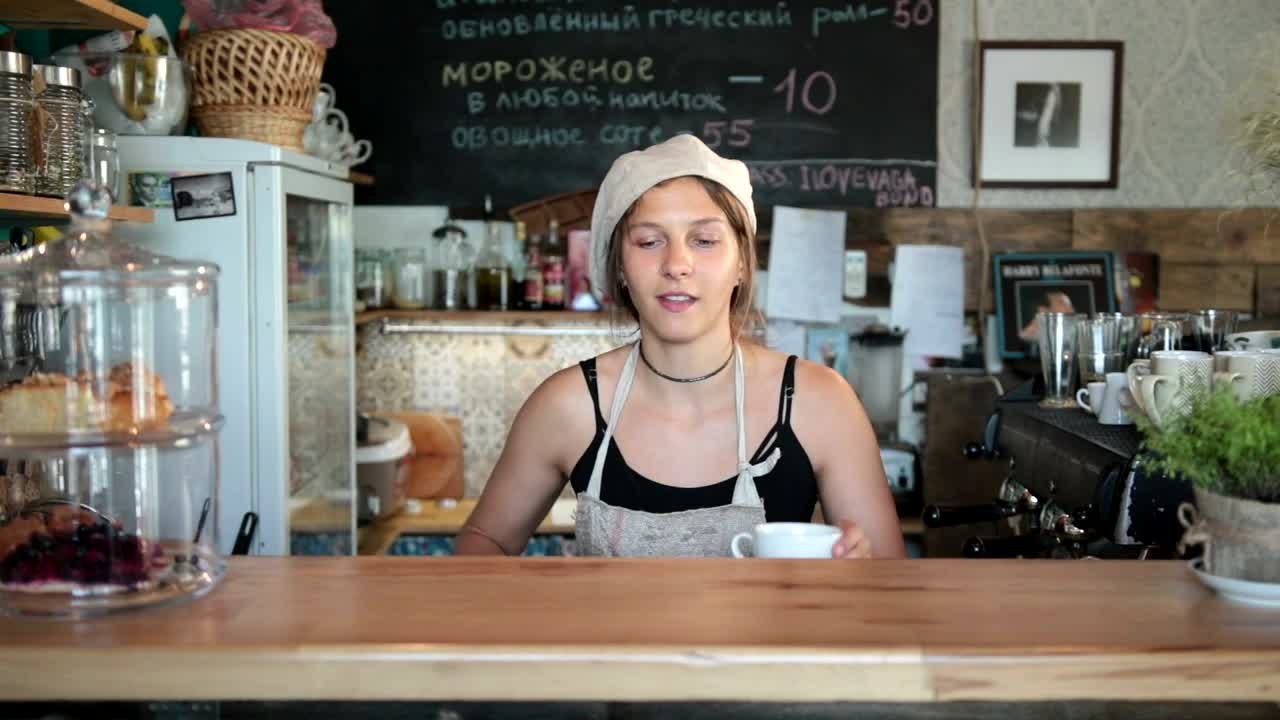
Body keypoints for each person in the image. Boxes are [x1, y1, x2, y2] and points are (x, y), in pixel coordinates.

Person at [455, 134, 905, 558]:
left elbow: (891, 580)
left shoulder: (821, 403)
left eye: (705, 240)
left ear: (743, 264)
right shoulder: (566, 405)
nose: (676, 264)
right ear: (621, 270)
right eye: (650, 242)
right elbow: (483, 540)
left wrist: (858, 567)